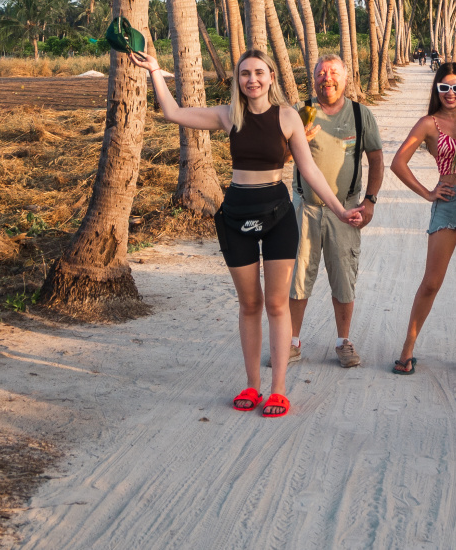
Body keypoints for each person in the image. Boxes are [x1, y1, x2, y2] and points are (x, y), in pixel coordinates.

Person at [129, 44, 363, 416]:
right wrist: (155, 69)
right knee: (250, 304)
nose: (252, 80)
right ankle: (253, 386)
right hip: (236, 214)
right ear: (238, 80)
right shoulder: (228, 115)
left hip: (277, 215)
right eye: (245, 74)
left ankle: (278, 389)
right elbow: (173, 113)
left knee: (276, 304)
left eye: (258, 73)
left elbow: (310, 170)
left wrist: (339, 210)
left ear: (271, 77)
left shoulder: (287, 117)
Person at [390, 60, 456, 374]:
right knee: (431, 282)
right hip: (448, 201)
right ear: (437, 89)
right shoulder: (428, 124)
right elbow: (398, 163)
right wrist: (427, 193)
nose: (451, 93)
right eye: (444, 87)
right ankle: (407, 351)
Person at [288, 54, 384, 368]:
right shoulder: (301, 112)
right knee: (298, 277)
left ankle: (343, 342)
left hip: (347, 210)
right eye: (321, 73)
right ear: (313, 78)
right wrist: (296, 140)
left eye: (333, 73)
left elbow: (376, 159)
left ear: (345, 78)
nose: (326, 78)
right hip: (306, 210)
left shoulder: (360, 114)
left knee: (344, 277)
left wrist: (370, 201)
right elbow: (281, 156)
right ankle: (291, 342)